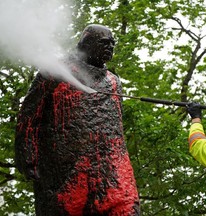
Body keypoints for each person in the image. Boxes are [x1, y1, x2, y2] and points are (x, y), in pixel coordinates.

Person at [15, 24, 140, 216]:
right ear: (85, 44)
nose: (110, 47)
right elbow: (29, 115)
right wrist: (28, 157)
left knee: (128, 208)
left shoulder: (114, 81)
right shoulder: (55, 71)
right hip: (66, 171)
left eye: (112, 44)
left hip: (113, 168)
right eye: (104, 43)